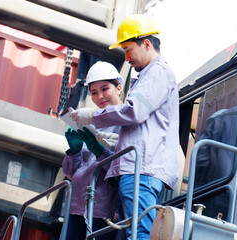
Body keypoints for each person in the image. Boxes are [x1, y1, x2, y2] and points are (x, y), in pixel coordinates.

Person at [70, 14, 180, 239]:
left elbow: (135, 111)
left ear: (146, 44)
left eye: (129, 49)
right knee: (134, 230)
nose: (126, 57)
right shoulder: (148, 75)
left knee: (139, 232)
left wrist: (92, 116)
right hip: (137, 167)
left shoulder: (157, 72)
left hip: (143, 168)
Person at [62, 61, 123, 240]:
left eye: (105, 89)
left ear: (118, 88)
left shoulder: (125, 125)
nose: (100, 97)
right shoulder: (89, 122)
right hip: (76, 205)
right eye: (94, 92)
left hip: (102, 210)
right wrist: (74, 151)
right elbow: (71, 172)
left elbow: (121, 171)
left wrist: (99, 151)